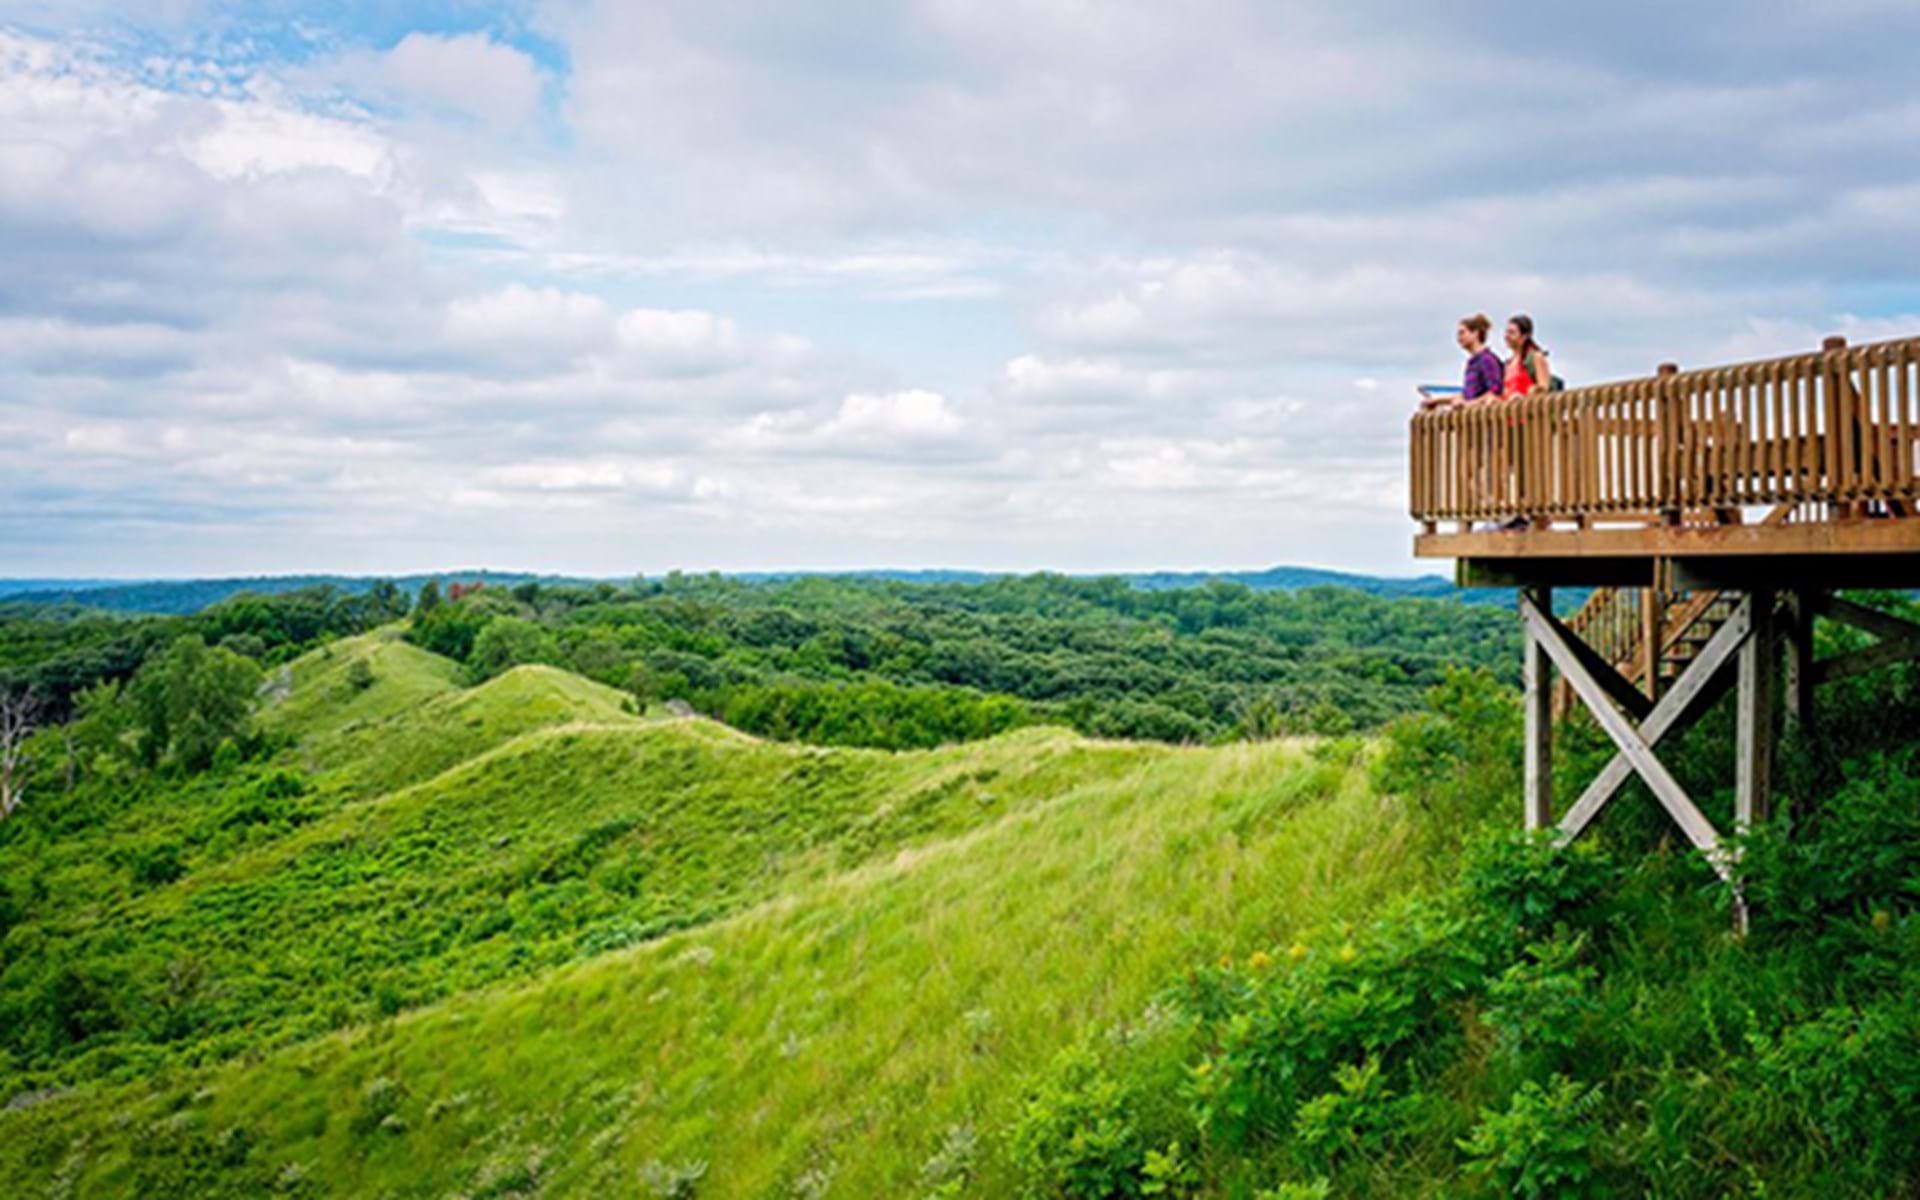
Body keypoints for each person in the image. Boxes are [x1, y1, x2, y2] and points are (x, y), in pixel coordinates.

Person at [1418, 313, 1503, 410]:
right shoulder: (1472, 362)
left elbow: (1494, 391)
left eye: (1462, 333)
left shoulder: (1487, 360)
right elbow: (1467, 394)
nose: (1459, 338)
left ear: (1475, 333)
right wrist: (1436, 401)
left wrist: (1469, 404)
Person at [1502, 314, 1551, 398]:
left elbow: (1544, 388)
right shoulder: (1507, 364)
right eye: (1506, 332)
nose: (1507, 336)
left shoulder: (1536, 357)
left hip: (1528, 408)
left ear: (1524, 337)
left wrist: (1527, 394)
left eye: (1512, 332)